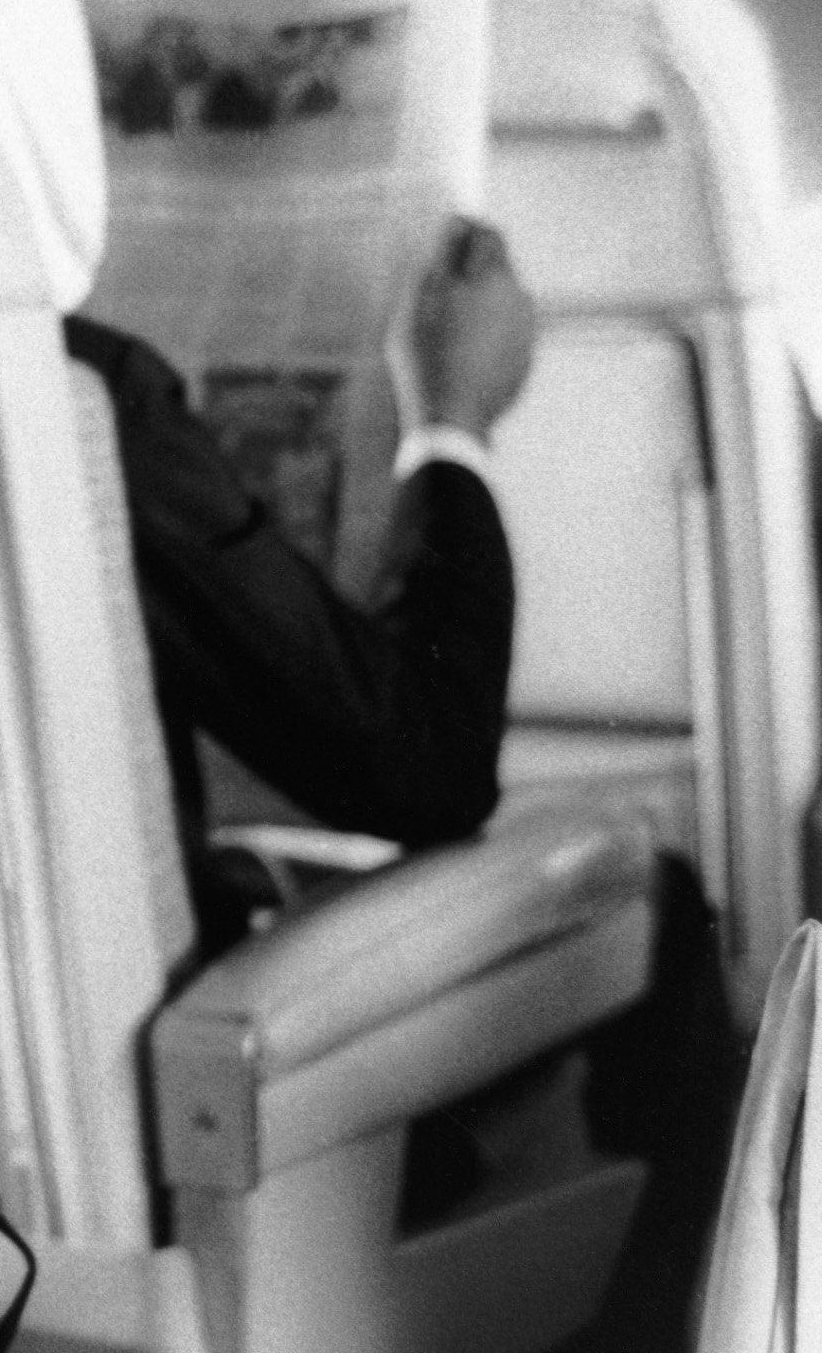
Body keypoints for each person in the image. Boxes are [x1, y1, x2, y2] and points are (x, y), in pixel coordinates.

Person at [66, 212, 537, 950]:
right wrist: (454, 420)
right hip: (147, 988)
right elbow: (432, 762)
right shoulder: (86, 395)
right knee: (655, 900)